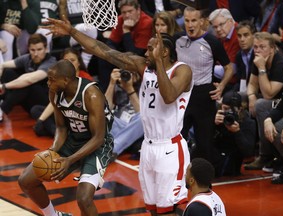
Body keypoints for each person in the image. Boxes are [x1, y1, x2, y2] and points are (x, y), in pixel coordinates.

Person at [43, 16, 193, 215]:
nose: (145, 53)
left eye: (151, 49)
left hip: (170, 148)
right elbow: (103, 51)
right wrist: (72, 31)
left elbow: (169, 96)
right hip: (148, 147)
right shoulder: (144, 66)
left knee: (170, 209)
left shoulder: (182, 70)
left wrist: (157, 62)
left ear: (164, 52)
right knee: (155, 209)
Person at [18, 59, 114, 216]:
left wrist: (70, 160)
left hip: (97, 146)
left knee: (84, 199)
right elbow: (61, 128)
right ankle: (53, 215)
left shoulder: (91, 95)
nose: (48, 83)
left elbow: (98, 137)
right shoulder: (55, 92)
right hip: (73, 140)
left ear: (66, 80)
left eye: (52, 80)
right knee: (26, 181)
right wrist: (51, 151)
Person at [176, 7, 233, 165]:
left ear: (202, 21)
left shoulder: (212, 42)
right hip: (182, 95)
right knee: (176, 137)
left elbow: (229, 68)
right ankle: (176, 175)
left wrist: (221, 86)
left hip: (204, 96)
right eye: (187, 21)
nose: (190, 25)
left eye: (194, 20)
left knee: (204, 142)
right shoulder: (177, 39)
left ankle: (205, 182)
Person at [244, 31, 283, 171]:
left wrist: (262, 68)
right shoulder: (257, 59)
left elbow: (269, 94)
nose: (258, 50)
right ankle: (245, 151)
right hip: (273, 100)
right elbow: (251, 85)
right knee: (236, 98)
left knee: (261, 104)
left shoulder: (280, 62)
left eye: (262, 47)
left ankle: (267, 155)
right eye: (256, 47)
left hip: (280, 100)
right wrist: (250, 97)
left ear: (272, 48)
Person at [31, 47, 93, 137]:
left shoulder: (86, 78)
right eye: (66, 61)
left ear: (79, 62)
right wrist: (40, 120)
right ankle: (57, 131)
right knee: (36, 110)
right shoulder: (60, 78)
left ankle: (59, 133)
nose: (69, 64)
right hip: (63, 112)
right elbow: (54, 102)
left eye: (72, 60)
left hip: (79, 115)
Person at [97, 0, 153, 92]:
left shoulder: (146, 22)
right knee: (103, 57)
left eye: (130, 11)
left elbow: (135, 53)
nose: (127, 15)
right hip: (124, 54)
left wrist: (126, 30)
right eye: (124, 12)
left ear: (138, 10)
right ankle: (104, 91)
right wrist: (115, 56)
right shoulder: (120, 19)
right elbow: (110, 43)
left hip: (142, 57)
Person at [0, 33, 57, 122]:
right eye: (32, 50)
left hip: (45, 104)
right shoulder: (28, 58)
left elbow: (30, 80)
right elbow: (3, 65)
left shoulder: (51, 62)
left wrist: (4, 86)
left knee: (26, 84)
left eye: (39, 49)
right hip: (29, 102)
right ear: (29, 49)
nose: (36, 53)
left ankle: (2, 109)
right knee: (8, 72)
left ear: (46, 49)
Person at [214, 91, 257, 176]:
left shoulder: (247, 122)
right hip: (214, 155)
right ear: (221, 106)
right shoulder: (216, 115)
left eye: (232, 110)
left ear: (240, 109)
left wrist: (237, 132)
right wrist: (213, 125)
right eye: (225, 109)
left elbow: (248, 152)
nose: (228, 112)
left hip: (232, 162)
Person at [105, 68, 143, 158]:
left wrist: (130, 89)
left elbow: (141, 114)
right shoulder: (117, 87)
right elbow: (106, 107)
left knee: (144, 118)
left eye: (133, 73)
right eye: (126, 73)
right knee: (102, 112)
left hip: (134, 130)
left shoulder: (145, 88)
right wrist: (111, 83)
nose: (129, 76)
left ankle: (113, 148)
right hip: (117, 125)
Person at [208, 8, 240, 91]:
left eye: (221, 24)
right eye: (215, 27)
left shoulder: (238, 36)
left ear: (230, 21)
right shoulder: (222, 35)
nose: (218, 29)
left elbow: (232, 69)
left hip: (236, 82)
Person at [235, 20, 256, 92]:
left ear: (254, 35)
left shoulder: (259, 53)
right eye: (239, 36)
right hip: (244, 90)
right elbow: (239, 80)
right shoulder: (238, 55)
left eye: (246, 35)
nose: (242, 39)